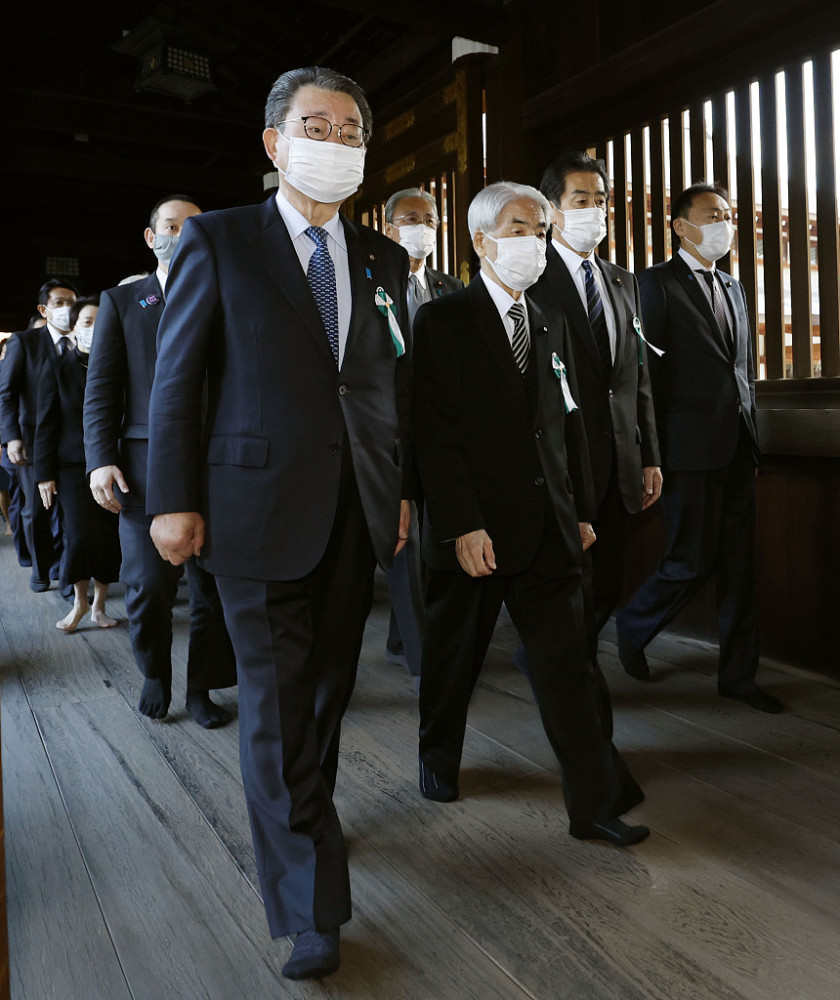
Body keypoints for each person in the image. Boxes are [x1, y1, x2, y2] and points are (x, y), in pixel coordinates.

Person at [145, 66, 412, 980]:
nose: (332, 142)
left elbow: (383, 389)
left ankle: (309, 830)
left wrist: (402, 488)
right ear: (273, 143)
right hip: (250, 511)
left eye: (349, 130)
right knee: (275, 707)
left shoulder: (384, 259)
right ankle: (308, 907)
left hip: (353, 511)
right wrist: (170, 499)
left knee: (324, 699)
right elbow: (177, 382)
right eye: (314, 126)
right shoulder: (218, 241)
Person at [413, 181, 648, 848]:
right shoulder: (445, 320)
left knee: (568, 665)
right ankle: (438, 756)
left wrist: (575, 508)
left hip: (547, 523)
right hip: (474, 528)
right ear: (481, 240)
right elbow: (434, 431)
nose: (533, 241)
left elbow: (565, 422)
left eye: (541, 229)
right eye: (518, 228)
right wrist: (462, 523)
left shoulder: (552, 320)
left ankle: (596, 804)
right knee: (453, 657)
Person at [616, 182, 782, 714]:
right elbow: (646, 375)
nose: (724, 223)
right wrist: (653, 452)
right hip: (684, 450)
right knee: (689, 560)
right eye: (713, 214)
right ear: (680, 226)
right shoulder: (655, 285)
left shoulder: (733, 286)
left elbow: (741, 372)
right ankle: (631, 626)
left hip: (736, 448)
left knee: (739, 568)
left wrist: (750, 436)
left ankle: (738, 677)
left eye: (728, 214)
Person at [84, 195, 237, 728]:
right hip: (144, 471)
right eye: (171, 226)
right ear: (152, 238)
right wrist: (100, 459)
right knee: (148, 588)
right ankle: (155, 670)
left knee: (212, 592)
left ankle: (201, 687)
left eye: (193, 227)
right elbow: (101, 389)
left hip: (217, 468)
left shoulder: (229, 299)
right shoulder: (124, 304)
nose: (182, 234)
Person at [535, 152, 661, 635]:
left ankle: (568, 666)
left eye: (601, 200)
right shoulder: (533, 276)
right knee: (564, 582)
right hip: (561, 458)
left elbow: (638, 374)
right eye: (581, 199)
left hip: (617, 460)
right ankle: (566, 675)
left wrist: (649, 453)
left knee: (607, 582)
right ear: (553, 207)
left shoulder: (622, 280)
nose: (595, 210)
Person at [381, 187, 464, 681]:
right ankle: (421, 657)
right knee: (403, 543)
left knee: (435, 540)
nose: (423, 225)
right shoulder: (372, 278)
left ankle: (402, 638)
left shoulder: (450, 286)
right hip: (390, 430)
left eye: (430, 218)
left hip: (441, 428)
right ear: (389, 227)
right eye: (411, 217)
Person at [35, 297, 121, 632]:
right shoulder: (57, 366)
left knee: (108, 535)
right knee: (78, 535)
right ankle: (79, 601)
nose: (94, 329)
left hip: (114, 463)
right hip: (71, 466)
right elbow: (45, 424)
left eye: (100, 322)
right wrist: (43, 473)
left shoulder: (118, 365)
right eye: (86, 322)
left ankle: (99, 605)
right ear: (73, 329)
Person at [0, 280, 78, 593]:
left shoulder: (82, 341)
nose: (67, 308)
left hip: (71, 438)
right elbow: (6, 393)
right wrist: (11, 437)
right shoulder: (24, 341)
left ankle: (68, 571)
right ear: (44, 309)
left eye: (72, 300)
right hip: (30, 438)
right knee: (37, 508)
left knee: (68, 507)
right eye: (59, 302)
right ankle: (41, 569)